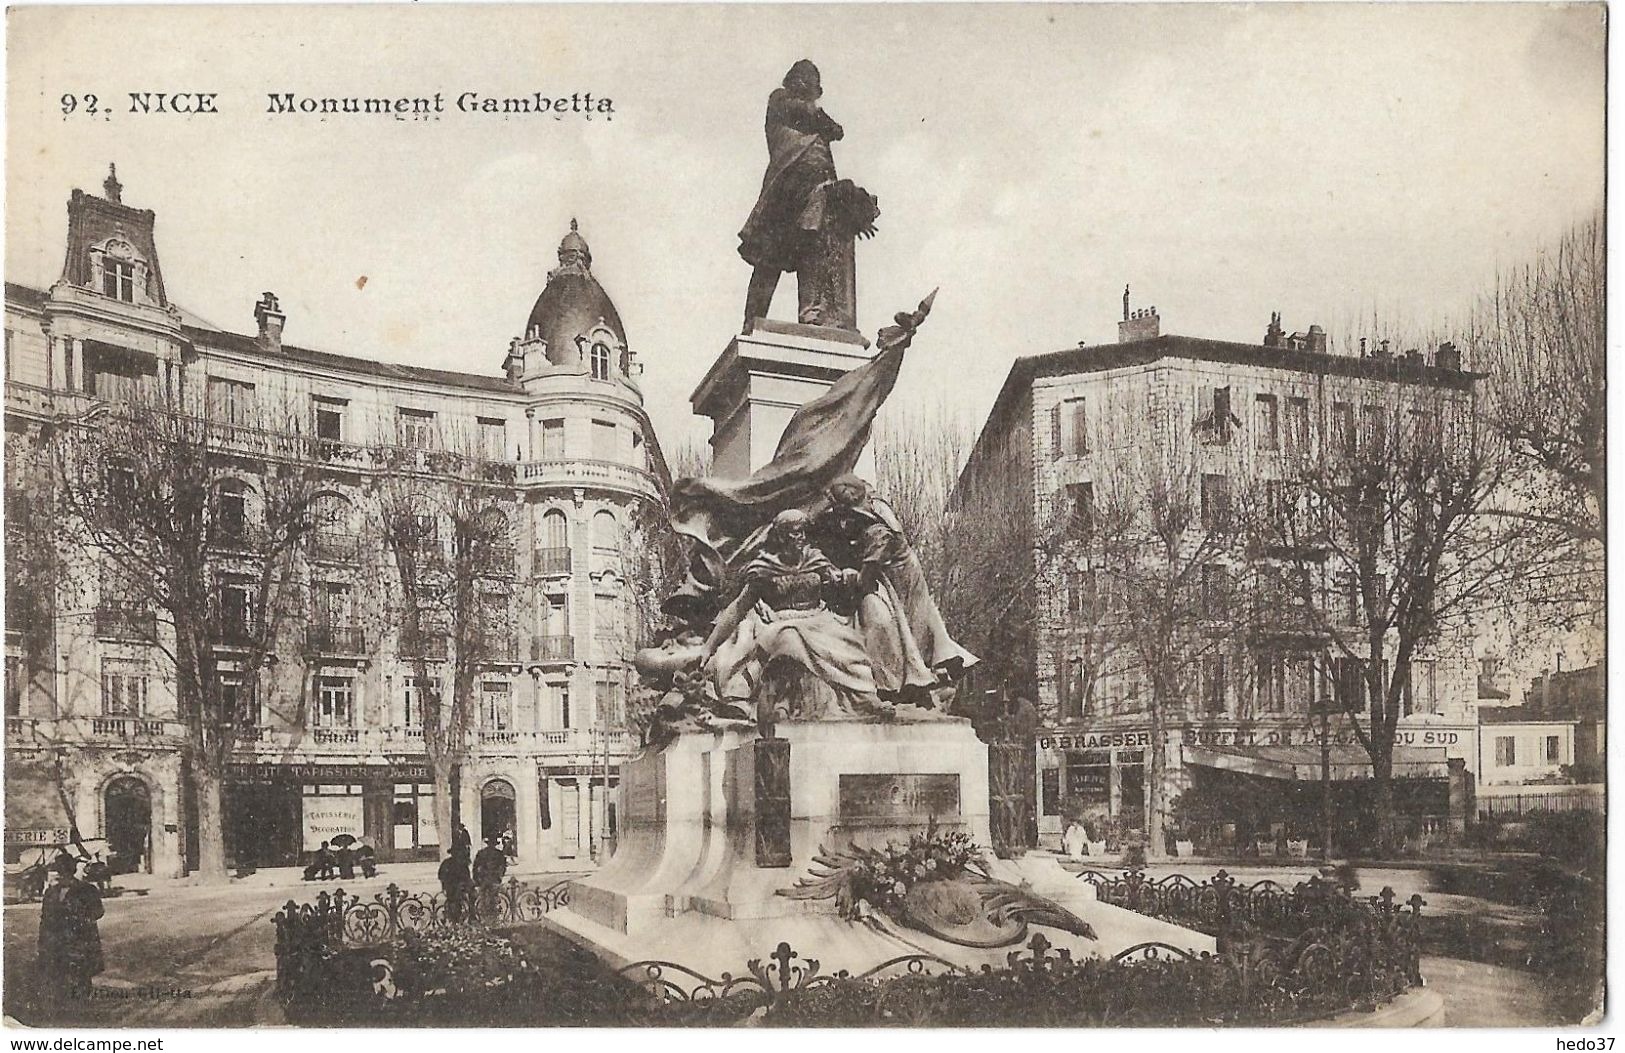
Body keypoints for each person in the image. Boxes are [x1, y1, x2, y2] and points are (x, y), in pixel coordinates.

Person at [700, 509, 886, 720]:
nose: (802, 538)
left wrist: (849, 579)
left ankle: (864, 697)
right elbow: (737, 609)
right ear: (780, 535)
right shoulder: (764, 567)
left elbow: (840, 585)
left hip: (819, 621)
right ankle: (783, 702)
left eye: (803, 532)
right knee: (790, 640)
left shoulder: (815, 559)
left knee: (850, 646)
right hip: (779, 624)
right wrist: (709, 646)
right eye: (795, 533)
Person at [813, 475, 978, 703]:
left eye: (844, 515)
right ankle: (916, 679)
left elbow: (866, 579)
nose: (842, 522)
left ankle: (906, 684)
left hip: (900, 577)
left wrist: (847, 577)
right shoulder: (871, 499)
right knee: (910, 625)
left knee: (907, 626)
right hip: (896, 571)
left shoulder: (877, 533)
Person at [37, 855, 105, 1002]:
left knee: (81, 976)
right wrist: (43, 942)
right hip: (58, 942)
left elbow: (98, 912)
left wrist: (80, 919)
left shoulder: (87, 889)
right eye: (61, 868)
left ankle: (82, 1007)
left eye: (65, 868)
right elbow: (45, 919)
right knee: (60, 976)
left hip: (80, 940)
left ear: (72, 870)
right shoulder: (51, 892)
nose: (63, 872)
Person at [471, 837, 509, 921]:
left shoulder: (482, 853)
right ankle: (492, 915)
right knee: (492, 897)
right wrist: (500, 876)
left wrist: (476, 879)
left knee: (484, 897)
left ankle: (485, 915)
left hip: (484, 879)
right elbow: (503, 867)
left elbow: (475, 867)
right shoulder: (499, 854)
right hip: (493, 879)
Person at [438, 846, 471, 924]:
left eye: (458, 853)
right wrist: (444, 884)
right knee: (452, 901)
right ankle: (452, 916)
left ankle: (466, 915)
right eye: (455, 853)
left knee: (465, 900)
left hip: (461, 887)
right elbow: (441, 875)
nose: (456, 854)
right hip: (450, 887)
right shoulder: (447, 863)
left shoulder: (462, 863)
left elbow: (467, 876)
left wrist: (466, 885)